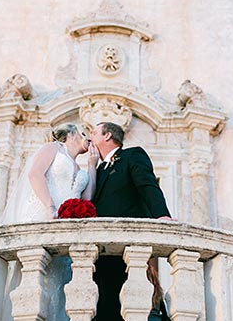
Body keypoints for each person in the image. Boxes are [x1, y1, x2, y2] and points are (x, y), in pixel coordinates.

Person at [90, 121, 172, 320]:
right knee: (105, 306)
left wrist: (162, 215)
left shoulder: (131, 155)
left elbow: (147, 185)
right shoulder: (97, 170)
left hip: (128, 248)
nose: (89, 137)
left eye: (93, 132)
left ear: (107, 136)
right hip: (101, 252)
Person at [0, 124, 99, 224]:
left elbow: (87, 198)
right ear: (71, 135)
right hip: (43, 213)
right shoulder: (53, 148)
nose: (88, 139)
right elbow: (35, 174)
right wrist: (50, 207)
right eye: (83, 134)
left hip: (66, 221)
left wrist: (92, 166)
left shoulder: (79, 168)